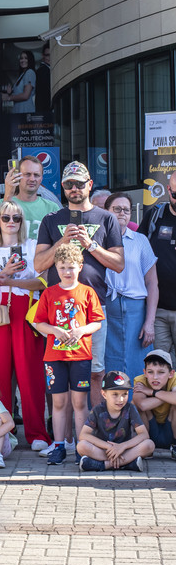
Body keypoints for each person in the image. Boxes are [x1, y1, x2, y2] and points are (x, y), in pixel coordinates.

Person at [35, 161, 124, 404]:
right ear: (63, 188)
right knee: (60, 373)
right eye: (69, 184)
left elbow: (119, 264)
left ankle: (94, 424)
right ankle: (62, 426)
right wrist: (62, 241)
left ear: (90, 184)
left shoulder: (107, 218)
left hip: (93, 307)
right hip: (57, 307)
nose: (74, 188)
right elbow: (39, 264)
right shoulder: (51, 219)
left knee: (96, 372)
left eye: (79, 183)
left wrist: (91, 245)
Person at [0, 201, 49, 450]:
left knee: (30, 373)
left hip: (26, 309)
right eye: (5, 217)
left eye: (16, 218)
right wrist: (4, 273)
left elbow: (43, 282)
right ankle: (2, 432)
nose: (11, 222)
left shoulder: (32, 246)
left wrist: (12, 281)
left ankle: (37, 433)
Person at [33, 242, 104, 465]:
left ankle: (82, 447)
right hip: (54, 358)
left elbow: (97, 322)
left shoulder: (87, 292)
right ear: (56, 267)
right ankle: (59, 446)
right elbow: (39, 323)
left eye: (71, 267)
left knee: (79, 402)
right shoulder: (49, 293)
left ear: (80, 267)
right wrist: (54, 330)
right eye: (62, 267)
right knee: (59, 403)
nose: (67, 271)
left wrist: (81, 330)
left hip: (80, 356)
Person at [104, 193, 158, 379]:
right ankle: (108, 398)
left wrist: (149, 322)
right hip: (107, 308)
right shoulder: (97, 241)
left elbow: (152, 283)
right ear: (106, 212)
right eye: (117, 209)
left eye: (126, 210)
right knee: (108, 361)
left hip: (136, 311)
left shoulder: (140, 240)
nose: (122, 213)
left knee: (137, 363)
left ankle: (137, 399)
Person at [77, 371, 154, 472]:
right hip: (104, 450)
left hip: (125, 450)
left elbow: (144, 434)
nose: (120, 399)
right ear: (104, 394)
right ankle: (127, 464)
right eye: (115, 394)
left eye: (124, 394)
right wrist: (109, 447)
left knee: (149, 444)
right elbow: (83, 435)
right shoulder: (97, 410)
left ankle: (104, 465)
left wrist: (122, 446)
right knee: (81, 446)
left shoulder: (130, 408)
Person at [140, 171, 176, 363]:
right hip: (158, 310)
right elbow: (137, 249)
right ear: (168, 190)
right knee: (160, 365)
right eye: (175, 195)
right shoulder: (154, 216)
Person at [0, 157, 59, 242]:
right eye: (27, 174)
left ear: (41, 179)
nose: (32, 179)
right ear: (17, 176)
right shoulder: (2, 203)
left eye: (36, 175)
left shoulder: (52, 207)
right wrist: (8, 194)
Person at [132, 349, 176, 459]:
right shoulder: (140, 381)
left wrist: (152, 392)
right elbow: (142, 405)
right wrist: (169, 396)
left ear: (171, 374)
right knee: (134, 405)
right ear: (145, 373)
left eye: (161, 372)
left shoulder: (175, 379)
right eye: (150, 372)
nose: (155, 377)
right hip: (150, 431)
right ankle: (145, 446)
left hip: (171, 430)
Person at [36, 42, 51, 112]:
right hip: (45, 109)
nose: (50, 58)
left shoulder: (48, 69)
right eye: (47, 55)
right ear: (43, 56)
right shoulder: (42, 70)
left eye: (51, 55)